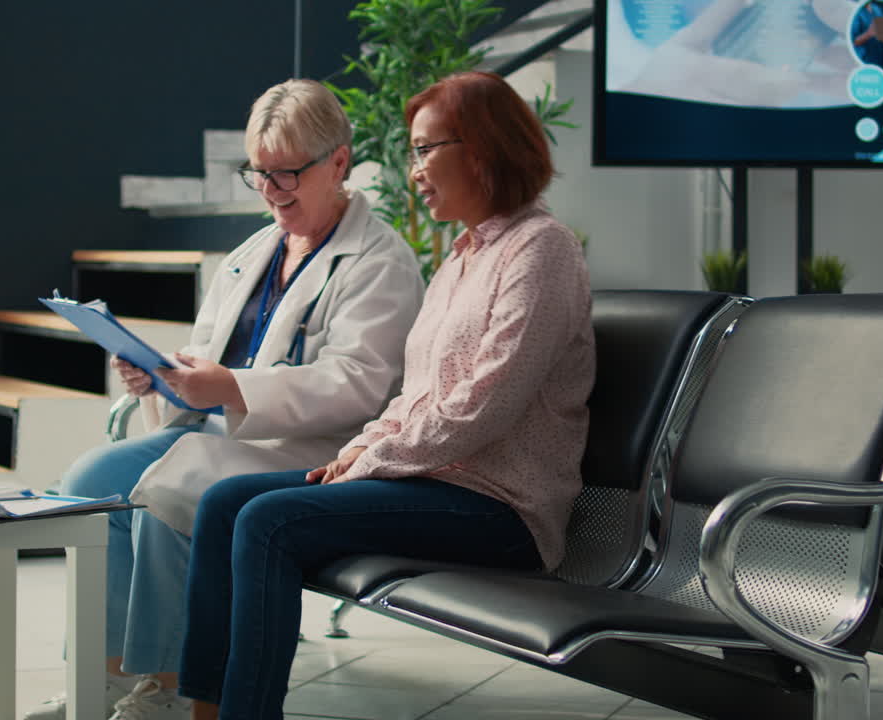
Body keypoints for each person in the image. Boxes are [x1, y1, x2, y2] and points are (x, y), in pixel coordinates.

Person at [177, 71, 595, 720]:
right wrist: (363, 448)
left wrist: (367, 463)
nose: (414, 169)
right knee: (225, 500)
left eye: (427, 149)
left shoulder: (541, 251)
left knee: (269, 520)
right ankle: (203, 710)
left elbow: (484, 407)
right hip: (436, 484)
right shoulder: (461, 259)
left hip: (502, 505)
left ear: (483, 150)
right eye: (413, 152)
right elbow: (414, 395)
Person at [22, 79, 424, 720]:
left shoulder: (380, 262)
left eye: (287, 174)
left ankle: (174, 684)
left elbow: (359, 383)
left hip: (311, 449)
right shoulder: (253, 253)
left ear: (340, 162)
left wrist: (230, 387)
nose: (271, 192)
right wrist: (163, 377)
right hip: (222, 434)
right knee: (89, 480)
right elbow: (208, 353)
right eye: (259, 174)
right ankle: (105, 674)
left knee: (173, 487)